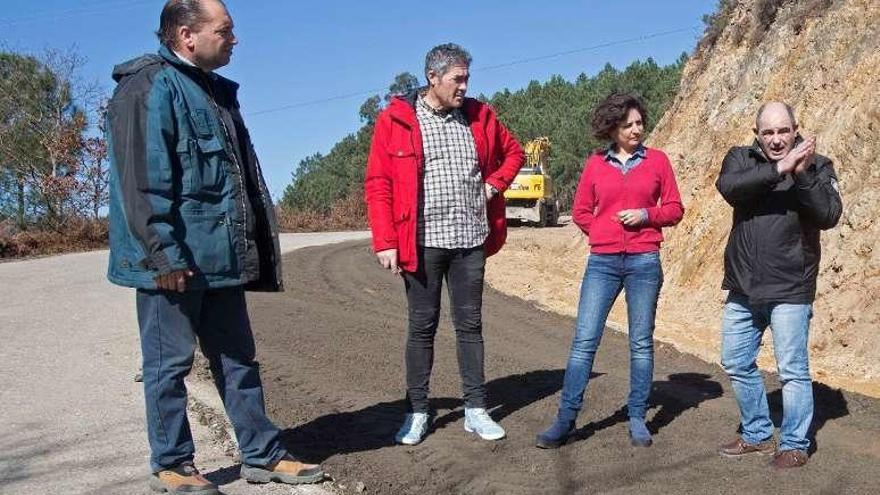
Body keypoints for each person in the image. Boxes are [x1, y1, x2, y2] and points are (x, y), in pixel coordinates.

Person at [106, 1, 323, 492]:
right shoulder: (148, 87)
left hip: (219, 258)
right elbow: (140, 182)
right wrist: (162, 255)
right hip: (173, 262)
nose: (234, 39)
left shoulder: (214, 91)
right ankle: (173, 465)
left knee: (238, 360)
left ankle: (262, 454)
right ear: (187, 35)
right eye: (225, 30)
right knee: (168, 367)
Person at [364, 43, 524, 446]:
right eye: (458, 79)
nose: (465, 87)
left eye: (467, 78)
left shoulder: (480, 116)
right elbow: (378, 183)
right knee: (422, 327)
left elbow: (514, 153)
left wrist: (493, 185)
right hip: (421, 243)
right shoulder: (396, 120)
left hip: (470, 240)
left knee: (470, 325)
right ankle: (417, 411)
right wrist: (385, 241)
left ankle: (475, 409)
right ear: (432, 78)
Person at [536, 92, 684, 449]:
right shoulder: (595, 165)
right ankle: (565, 420)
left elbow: (676, 209)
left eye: (638, 123)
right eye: (627, 125)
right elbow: (582, 211)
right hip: (601, 262)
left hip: (644, 262)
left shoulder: (658, 162)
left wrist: (646, 215)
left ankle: (637, 417)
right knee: (584, 342)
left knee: (641, 343)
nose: (636, 129)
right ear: (612, 129)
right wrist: (604, 232)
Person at [715, 101, 842, 469]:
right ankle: (756, 433)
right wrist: (780, 169)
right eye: (768, 132)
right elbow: (729, 187)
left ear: (795, 129)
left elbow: (829, 215)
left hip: (790, 288)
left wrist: (800, 175)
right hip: (743, 287)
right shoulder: (740, 159)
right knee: (736, 361)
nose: (776, 139)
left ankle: (794, 444)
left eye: (783, 131)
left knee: (792, 371)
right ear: (757, 134)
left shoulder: (818, 165)